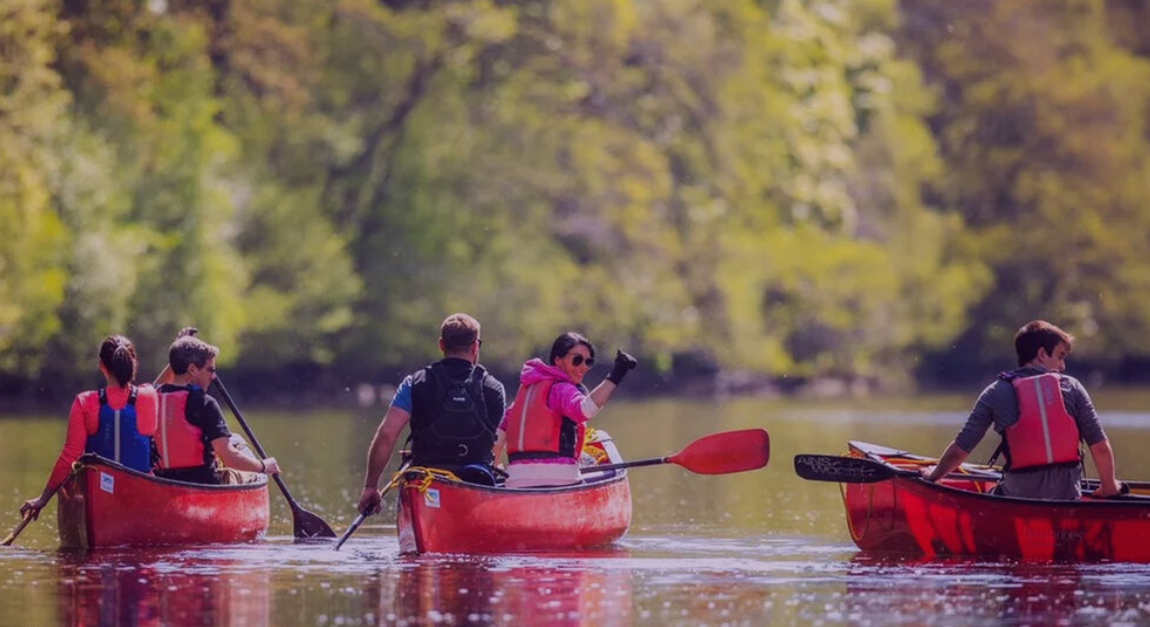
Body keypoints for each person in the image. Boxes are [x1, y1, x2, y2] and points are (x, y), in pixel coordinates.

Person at [922, 320, 1122, 499]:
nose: (1062, 366)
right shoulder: (1073, 387)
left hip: (1016, 496)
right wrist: (1109, 486)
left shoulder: (994, 392)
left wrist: (933, 476)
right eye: (1060, 356)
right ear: (1042, 354)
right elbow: (1100, 447)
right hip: (1067, 496)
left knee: (990, 492)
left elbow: (959, 450)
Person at [357, 313, 506, 515]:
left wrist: (371, 487)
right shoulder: (495, 389)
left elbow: (387, 435)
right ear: (475, 346)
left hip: (425, 481)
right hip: (476, 482)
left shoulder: (414, 383)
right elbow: (491, 443)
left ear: (441, 345)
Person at [19, 335, 159, 521]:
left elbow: (70, 455)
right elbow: (153, 387)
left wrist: (42, 500)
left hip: (100, 500)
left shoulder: (85, 402)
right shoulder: (150, 396)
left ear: (101, 366)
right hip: (139, 499)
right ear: (134, 364)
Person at [494, 332, 637, 488]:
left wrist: (494, 470)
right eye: (577, 360)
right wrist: (616, 374)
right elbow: (585, 410)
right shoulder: (562, 389)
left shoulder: (521, 399)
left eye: (588, 362)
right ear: (558, 360)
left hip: (516, 481)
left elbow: (497, 440)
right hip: (560, 478)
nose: (583, 367)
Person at [153, 329, 279, 484]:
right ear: (192, 369)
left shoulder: (153, 398)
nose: (213, 376)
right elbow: (229, 457)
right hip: (204, 485)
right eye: (210, 370)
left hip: (162, 483)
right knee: (241, 447)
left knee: (234, 439)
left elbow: (158, 384)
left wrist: (180, 352)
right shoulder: (205, 403)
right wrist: (263, 466)